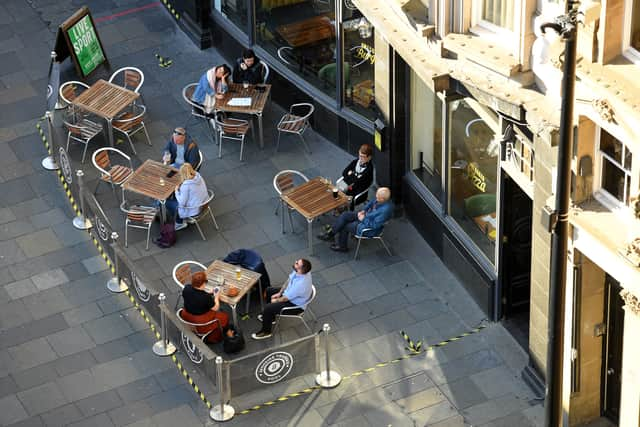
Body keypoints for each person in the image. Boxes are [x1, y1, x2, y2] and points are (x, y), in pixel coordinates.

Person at [251, 258, 313, 340]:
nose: (295, 262)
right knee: (269, 290)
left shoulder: (300, 285)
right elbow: (288, 281)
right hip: (290, 294)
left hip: (295, 306)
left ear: (301, 270)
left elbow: (285, 299)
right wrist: (279, 293)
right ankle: (271, 318)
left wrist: (275, 300)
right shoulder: (300, 272)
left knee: (268, 308)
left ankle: (266, 332)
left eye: (297, 263)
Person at [318, 187, 393, 252]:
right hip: (365, 216)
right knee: (345, 214)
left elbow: (374, 226)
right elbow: (370, 203)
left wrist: (363, 219)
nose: (376, 198)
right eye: (376, 195)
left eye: (377, 197)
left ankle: (342, 247)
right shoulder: (380, 199)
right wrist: (363, 210)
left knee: (345, 226)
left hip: (367, 228)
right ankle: (331, 234)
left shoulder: (384, 211)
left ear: (383, 199)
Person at [180, 271, 229, 343]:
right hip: (200, 321)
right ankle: (215, 337)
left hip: (186, 315)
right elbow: (216, 308)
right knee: (224, 317)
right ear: (203, 283)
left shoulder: (187, 288)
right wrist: (216, 297)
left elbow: (196, 294)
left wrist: (208, 293)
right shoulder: (205, 297)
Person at [165, 163, 208, 231]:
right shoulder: (198, 176)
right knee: (177, 199)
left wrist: (176, 191)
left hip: (194, 210)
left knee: (167, 202)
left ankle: (179, 223)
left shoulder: (186, 186)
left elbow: (182, 203)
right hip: (203, 204)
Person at [338, 143, 374, 210]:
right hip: (348, 186)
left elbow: (359, 183)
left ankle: (344, 209)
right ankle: (340, 207)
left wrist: (351, 175)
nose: (360, 158)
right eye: (360, 155)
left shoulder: (369, 169)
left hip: (358, 191)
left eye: (363, 157)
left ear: (369, 157)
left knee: (344, 198)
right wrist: (354, 176)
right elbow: (344, 172)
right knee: (337, 192)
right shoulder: (356, 162)